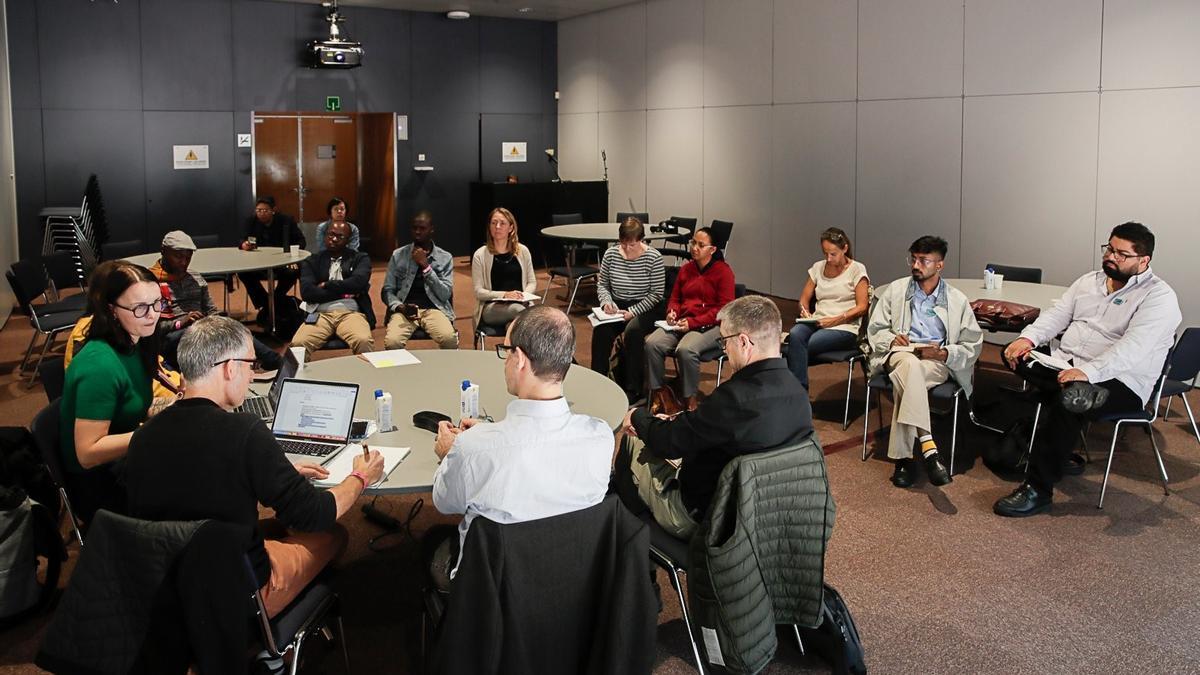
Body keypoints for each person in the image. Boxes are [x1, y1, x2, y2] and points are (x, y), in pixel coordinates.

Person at [124, 316, 385, 617]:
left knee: (277, 528)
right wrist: (360, 476)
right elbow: (315, 514)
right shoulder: (244, 432)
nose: (252, 376)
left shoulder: (143, 436)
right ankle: (284, 626)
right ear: (229, 368)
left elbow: (194, 483)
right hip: (238, 589)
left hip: (166, 584)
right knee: (334, 534)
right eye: (251, 365)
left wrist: (272, 475)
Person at [994, 222, 1181, 517]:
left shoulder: (1159, 298)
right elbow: (1057, 315)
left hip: (1122, 380)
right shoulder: (1088, 281)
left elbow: (1131, 350)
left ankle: (1038, 489)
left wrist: (1088, 373)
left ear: (1143, 261)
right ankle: (1054, 437)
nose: (1111, 257)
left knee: (1071, 401)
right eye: (1109, 248)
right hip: (1068, 364)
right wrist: (1026, 338)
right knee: (1014, 355)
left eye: (1121, 254)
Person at [428, 305, 612, 588]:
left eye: (506, 350)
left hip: (494, 595)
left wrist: (448, 454)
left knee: (431, 546)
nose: (504, 360)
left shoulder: (472, 448)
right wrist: (488, 434)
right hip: (573, 586)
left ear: (521, 359)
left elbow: (444, 502)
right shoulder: (600, 436)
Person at [613, 295, 814, 540]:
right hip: (765, 516)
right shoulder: (798, 394)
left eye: (725, 342)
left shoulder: (734, 399)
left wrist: (638, 417)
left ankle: (637, 553)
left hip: (707, 518)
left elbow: (667, 442)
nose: (725, 350)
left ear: (743, 342)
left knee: (634, 443)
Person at [865, 235, 982, 488]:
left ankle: (905, 459)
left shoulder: (956, 300)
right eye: (913, 259)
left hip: (934, 359)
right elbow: (875, 330)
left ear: (940, 265)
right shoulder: (895, 291)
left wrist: (943, 354)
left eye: (923, 261)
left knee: (908, 378)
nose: (916, 265)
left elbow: (972, 345)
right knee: (908, 365)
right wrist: (892, 339)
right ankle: (929, 448)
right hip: (899, 353)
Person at [59, 260, 166, 522]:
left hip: (120, 461)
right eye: (140, 307)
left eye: (157, 303)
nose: (152, 314)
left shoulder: (136, 340)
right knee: (202, 482)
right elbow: (87, 453)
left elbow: (130, 406)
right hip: (96, 483)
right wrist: (152, 435)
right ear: (112, 310)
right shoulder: (99, 366)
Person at [150, 230, 282, 371]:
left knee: (236, 328)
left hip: (200, 329)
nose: (183, 262)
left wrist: (221, 322)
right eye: (178, 257)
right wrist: (179, 323)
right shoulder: (150, 282)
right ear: (163, 251)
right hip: (169, 338)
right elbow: (149, 327)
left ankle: (275, 361)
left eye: (188, 258)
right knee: (200, 333)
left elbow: (211, 310)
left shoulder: (195, 278)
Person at [644, 227, 735, 411]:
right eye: (693, 243)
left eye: (701, 245)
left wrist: (693, 323)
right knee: (652, 343)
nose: (695, 248)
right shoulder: (686, 269)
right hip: (683, 323)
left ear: (712, 250)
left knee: (686, 349)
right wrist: (672, 312)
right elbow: (675, 298)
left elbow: (724, 309)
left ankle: (690, 401)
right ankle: (661, 394)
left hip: (712, 325)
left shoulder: (723, 272)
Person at [590, 217, 665, 402]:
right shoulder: (611, 254)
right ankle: (597, 378)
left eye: (631, 244)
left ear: (641, 240)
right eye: (623, 244)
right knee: (602, 330)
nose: (626, 248)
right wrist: (606, 302)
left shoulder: (653, 258)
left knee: (633, 331)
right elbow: (603, 285)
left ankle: (634, 387)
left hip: (646, 307)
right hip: (617, 305)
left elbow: (656, 294)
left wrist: (634, 311)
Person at [786, 227, 870, 389]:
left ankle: (797, 390)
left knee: (798, 347)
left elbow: (862, 307)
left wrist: (835, 320)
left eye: (833, 254)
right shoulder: (818, 267)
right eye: (825, 253)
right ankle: (797, 390)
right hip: (817, 321)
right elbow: (804, 298)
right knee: (796, 334)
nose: (829, 258)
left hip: (844, 327)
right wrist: (805, 311)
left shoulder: (857, 269)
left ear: (844, 248)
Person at [290, 221, 375, 356]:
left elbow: (359, 283)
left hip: (351, 313)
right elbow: (307, 293)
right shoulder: (312, 260)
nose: (334, 239)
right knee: (298, 344)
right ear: (325, 235)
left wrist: (327, 285)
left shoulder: (360, 258)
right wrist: (346, 293)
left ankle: (363, 376)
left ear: (347, 240)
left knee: (363, 340)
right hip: (320, 314)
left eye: (340, 237)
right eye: (331, 234)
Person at [382, 211, 458, 349]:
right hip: (405, 310)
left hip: (434, 309)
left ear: (431, 229)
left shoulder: (445, 257)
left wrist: (426, 267)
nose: (417, 232)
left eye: (422, 228)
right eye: (414, 228)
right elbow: (387, 290)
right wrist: (400, 307)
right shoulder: (398, 255)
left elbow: (445, 294)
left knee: (449, 339)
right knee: (392, 342)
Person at [237, 196, 306, 320]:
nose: (261, 213)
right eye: (258, 210)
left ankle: (272, 302)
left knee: (294, 270)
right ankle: (269, 304)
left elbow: (301, 240)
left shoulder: (286, 220)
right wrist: (244, 244)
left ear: (273, 210)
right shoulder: (251, 221)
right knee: (243, 272)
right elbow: (241, 239)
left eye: (265, 210)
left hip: (283, 262)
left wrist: (292, 254)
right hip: (259, 263)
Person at [471, 207, 537, 333]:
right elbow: (478, 292)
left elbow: (532, 282)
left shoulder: (523, 251)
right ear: (489, 227)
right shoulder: (480, 255)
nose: (497, 227)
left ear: (511, 228)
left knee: (515, 325)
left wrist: (522, 295)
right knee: (523, 313)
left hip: (521, 303)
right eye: (494, 223)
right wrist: (504, 295)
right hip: (492, 308)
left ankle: (511, 336)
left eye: (502, 223)